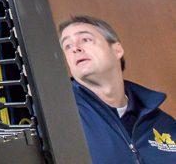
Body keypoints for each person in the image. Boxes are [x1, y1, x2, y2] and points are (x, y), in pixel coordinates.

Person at [59, 15, 176, 163]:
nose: (75, 48)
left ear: (117, 50)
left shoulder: (164, 123)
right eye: (67, 46)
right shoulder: (59, 114)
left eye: (85, 40)